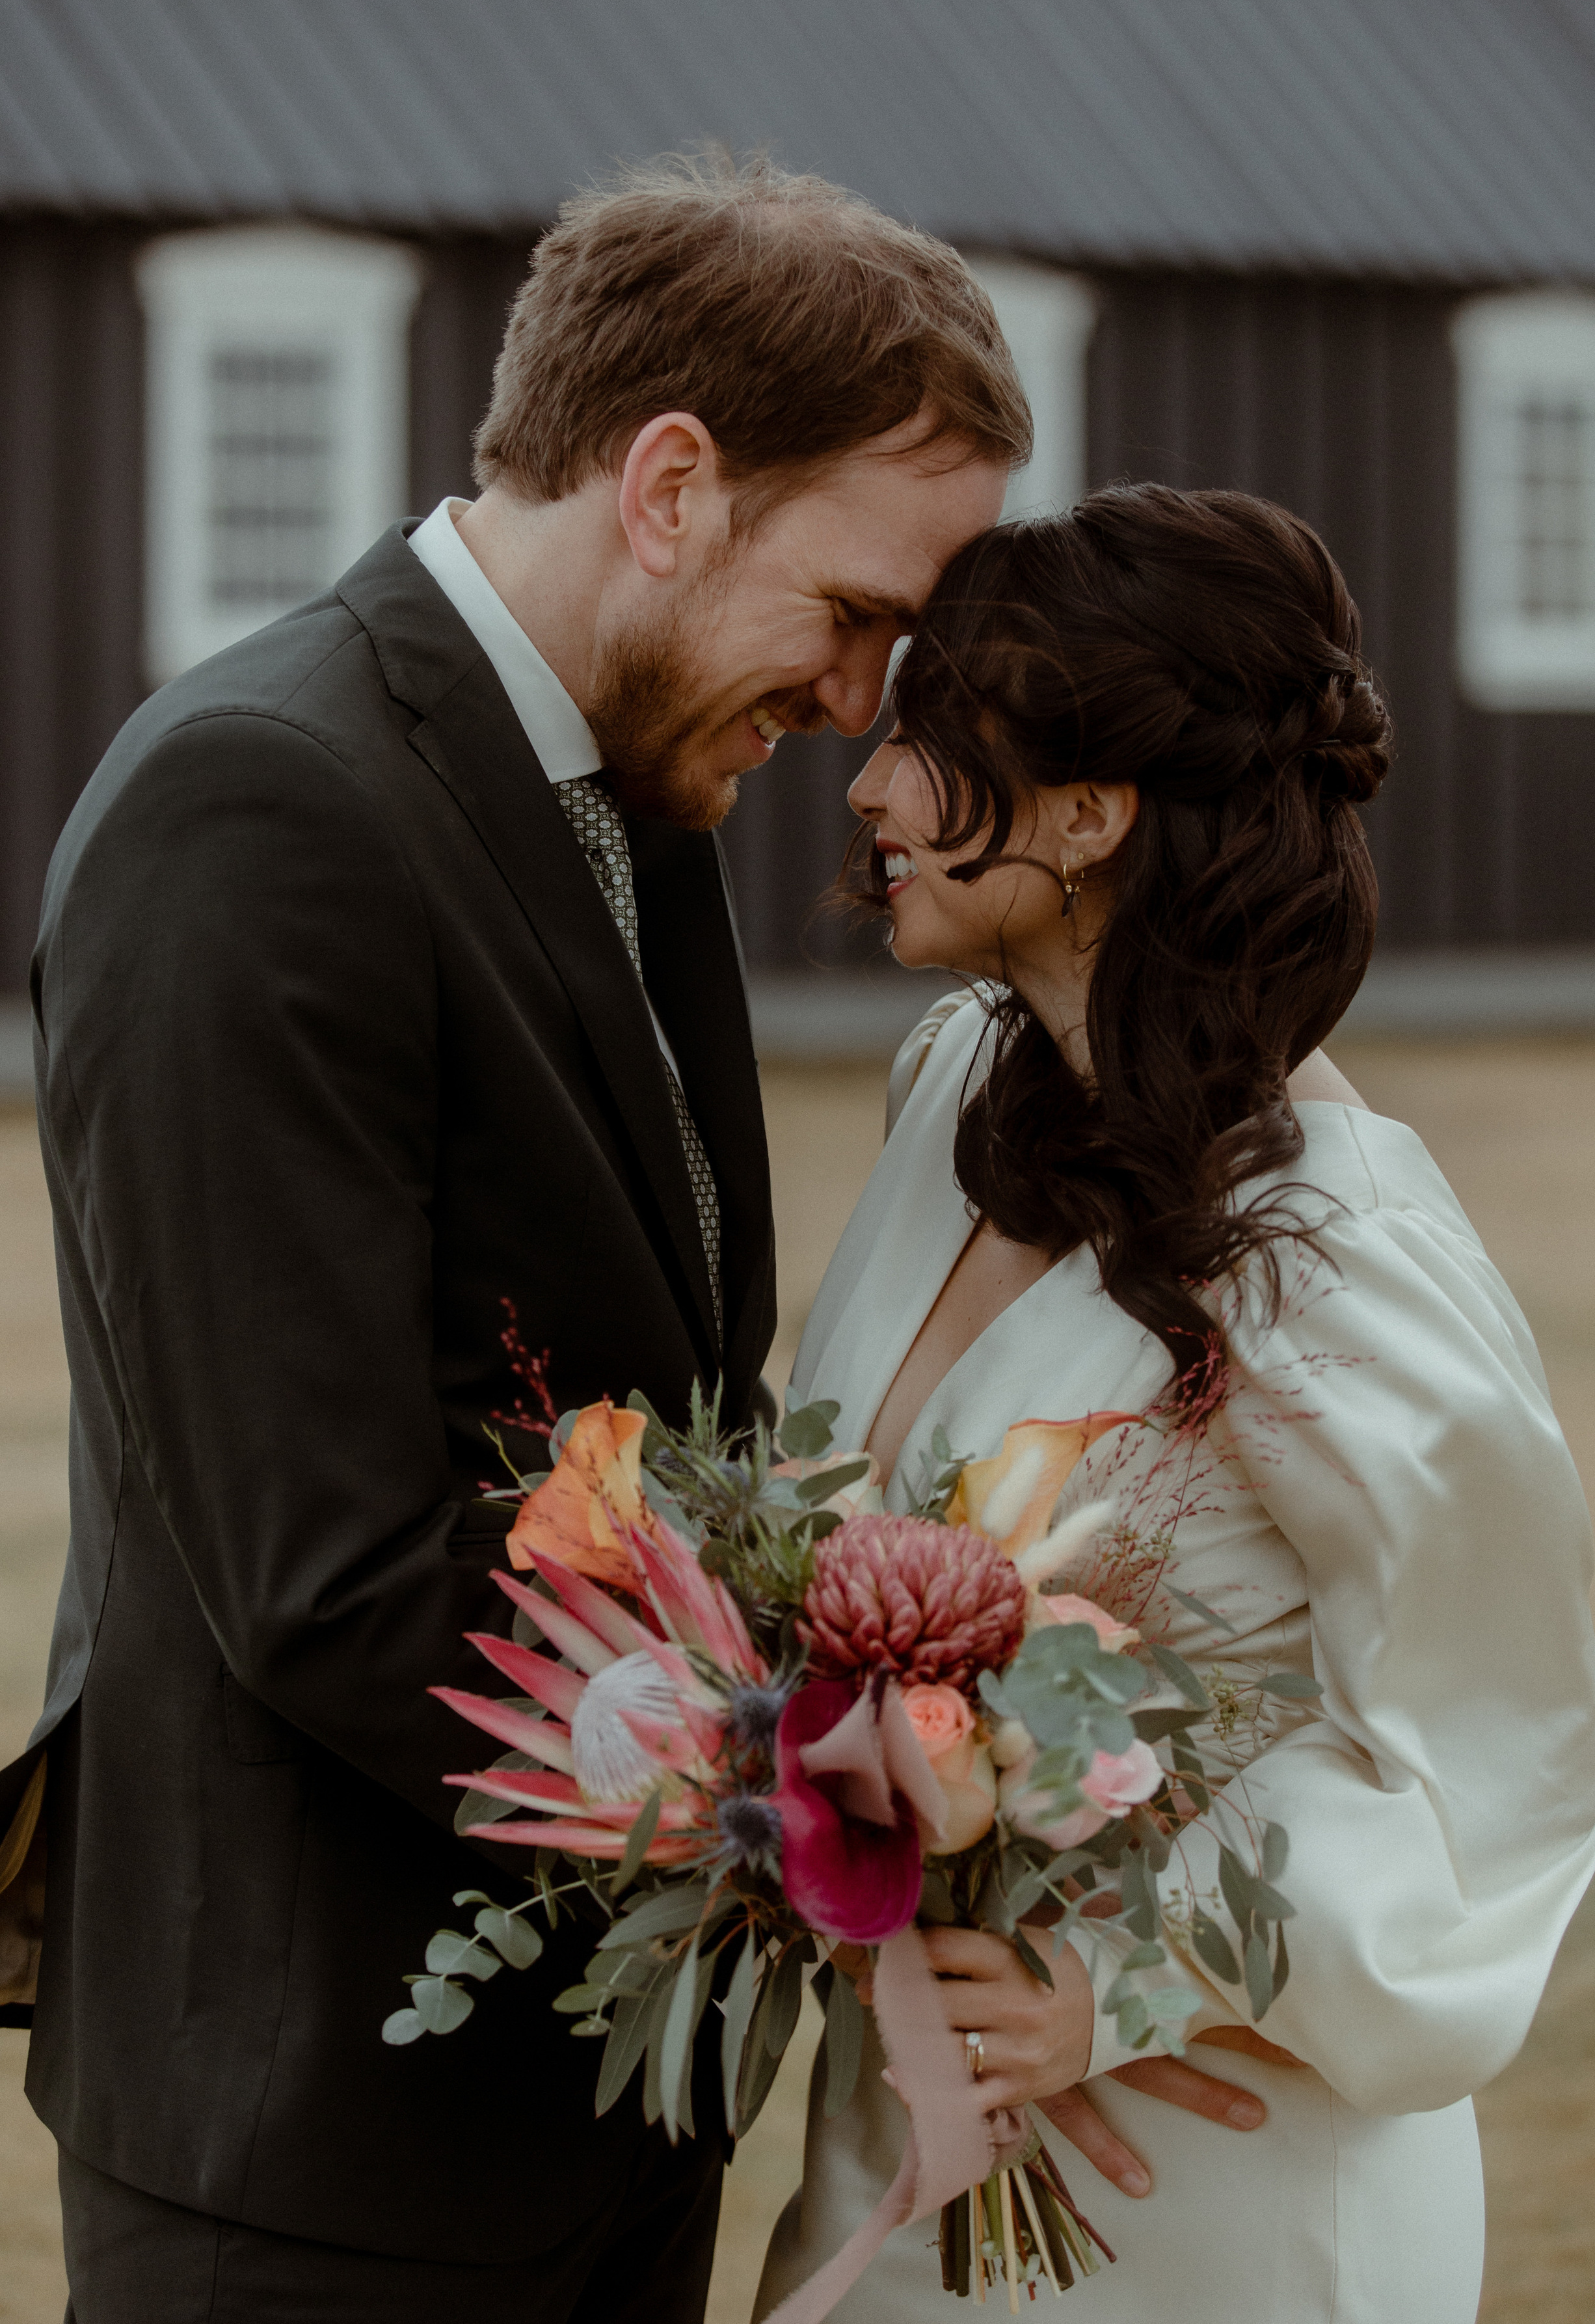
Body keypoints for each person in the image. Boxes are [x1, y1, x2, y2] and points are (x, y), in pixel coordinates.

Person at [0, 154, 1033, 2324]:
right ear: (669, 482)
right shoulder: (258, 807)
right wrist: (820, 1799)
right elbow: (328, 1562)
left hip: (594, 2110)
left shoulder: (623, 796)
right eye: (851, 610)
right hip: (320, 2139)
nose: (862, 701)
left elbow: (649, 1417)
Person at [757, 484, 1595, 2323]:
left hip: (1198, 2179)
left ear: (1087, 813)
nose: (870, 789)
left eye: (928, 736)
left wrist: (1123, 1985)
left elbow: (1484, 1753)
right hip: (902, 2120)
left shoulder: (1332, 1247)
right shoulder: (948, 1092)